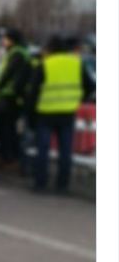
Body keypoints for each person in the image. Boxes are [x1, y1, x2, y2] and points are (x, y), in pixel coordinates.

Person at [27, 35, 88, 194]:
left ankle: (40, 183)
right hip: (68, 113)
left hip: (45, 113)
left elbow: (33, 93)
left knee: (43, 149)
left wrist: (30, 116)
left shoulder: (45, 64)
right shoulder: (76, 64)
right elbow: (90, 86)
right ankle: (62, 185)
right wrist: (78, 99)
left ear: (50, 49)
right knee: (65, 151)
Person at [0, 28, 31, 166]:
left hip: (9, 97)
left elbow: (8, 73)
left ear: (12, 40)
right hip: (13, 97)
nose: (4, 42)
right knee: (9, 128)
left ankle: (8, 157)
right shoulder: (21, 52)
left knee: (5, 128)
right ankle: (11, 157)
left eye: (6, 39)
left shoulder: (17, 53)